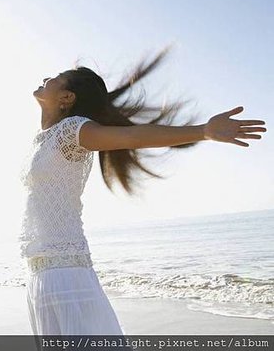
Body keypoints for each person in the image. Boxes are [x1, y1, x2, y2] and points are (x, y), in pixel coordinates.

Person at [18, 46, 267, 337]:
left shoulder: (73, 130)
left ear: (67, 98)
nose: (47, 78)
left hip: (65, 272)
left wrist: (202, 131)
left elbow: (131, 136)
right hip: (38, 268)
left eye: (56, 78)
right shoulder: (41, 140)